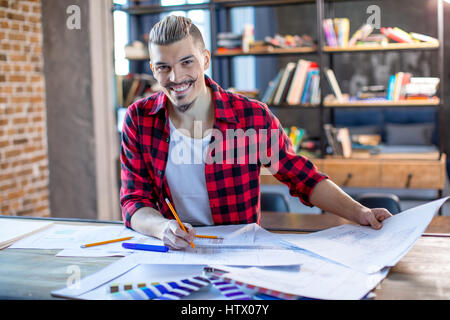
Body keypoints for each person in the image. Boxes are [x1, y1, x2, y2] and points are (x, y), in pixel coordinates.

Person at [120, 15, 392, 250]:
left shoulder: (251, 117)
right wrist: (162, 228)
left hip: (240, 254)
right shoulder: (139, 119)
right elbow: (134, 201)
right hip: (174, 252)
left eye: (186, 62)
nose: (176, 77)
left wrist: (360, 212)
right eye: (163, 67)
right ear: (153, 69)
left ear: (205, 60)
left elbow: (303, 178)